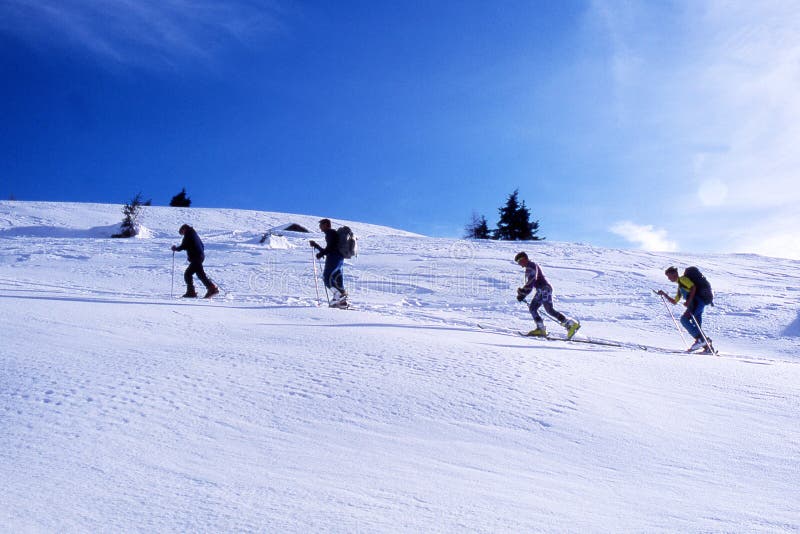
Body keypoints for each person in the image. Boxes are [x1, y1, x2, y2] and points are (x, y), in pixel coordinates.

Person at [514, 251, 580, 339]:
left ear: (524, 259)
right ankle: (541, 329)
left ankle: (571, 324)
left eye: (519, 261)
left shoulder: (531, 266)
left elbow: (531, 281)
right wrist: (522, 292)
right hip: (541, 290)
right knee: (533, 308)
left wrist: (523, 293)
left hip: (544, 289)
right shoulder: (529, 267)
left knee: (549, 309)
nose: (519, 264)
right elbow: (530, 283)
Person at [657, 266, 710, 351]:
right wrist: (664, 294)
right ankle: (708, 348)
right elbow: (675, 301)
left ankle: (701, 340)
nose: (669, 278)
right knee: (697, 326)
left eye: (669, 276)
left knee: (684, 319)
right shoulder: (680, 286)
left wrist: (688, 301)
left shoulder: (683, 279)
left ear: (674, 274)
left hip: (696, 303)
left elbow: (693, 287)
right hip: (698, 304)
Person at [171, 224, 219, 299]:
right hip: (199, 257)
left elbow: (184, 246)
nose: (182, 234)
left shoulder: (188, 234)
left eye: (182, 233)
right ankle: (210, 288)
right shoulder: (194, 234)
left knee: (188, 274)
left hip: (196, 258)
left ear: (184, 229)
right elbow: (202, 245)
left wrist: (175, 249)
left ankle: (193, 292)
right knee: (200, 274)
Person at [310, 218, 347, 307]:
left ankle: (338, 295)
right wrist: (316, 246)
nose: (319, 227)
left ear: (326, 225)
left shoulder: (330, 233)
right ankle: (342, 303)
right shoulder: (333, 234)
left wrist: (321, 253)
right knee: (338, 279)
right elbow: (329, 249)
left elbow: (330, 249)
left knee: (327, 278)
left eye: (321, 225)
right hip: (339, 259)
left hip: (333, 259)